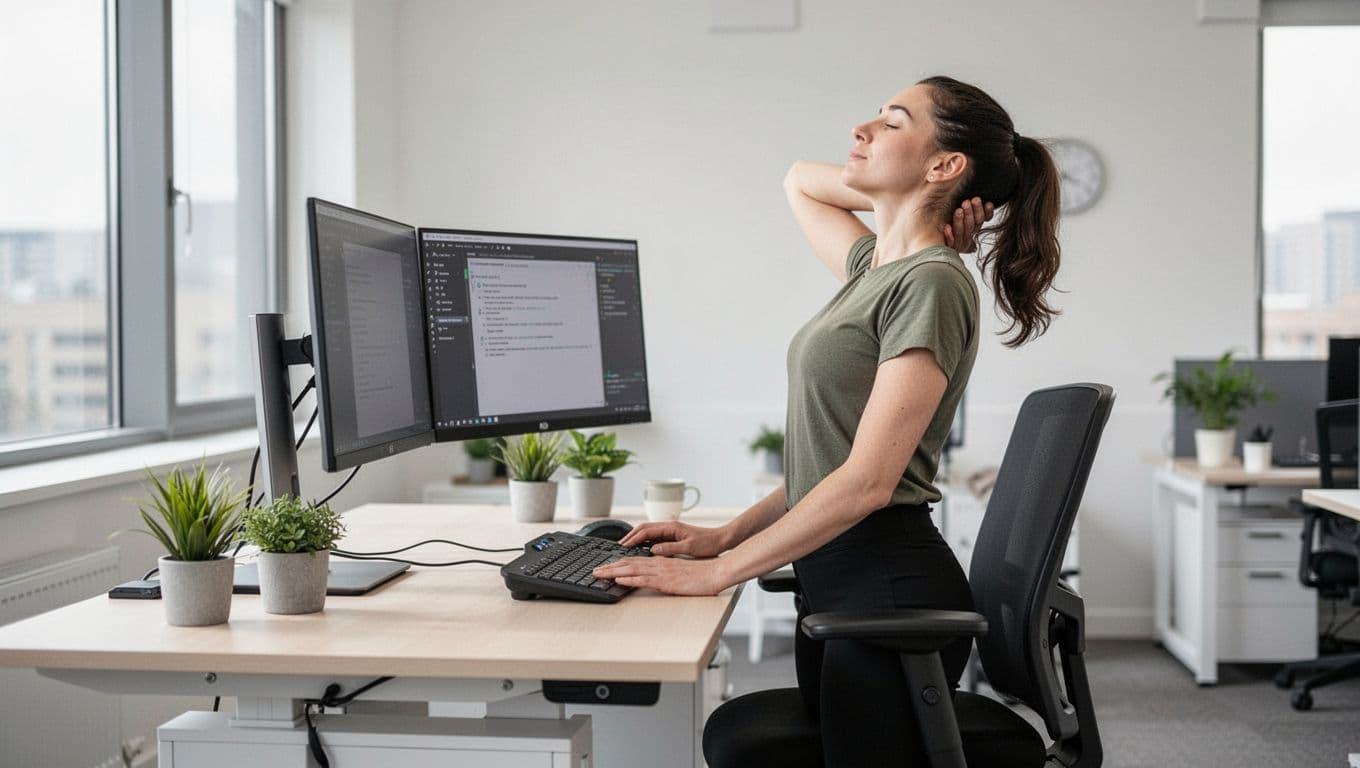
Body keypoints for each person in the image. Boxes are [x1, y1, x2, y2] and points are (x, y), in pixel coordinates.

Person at [592, 75, 1063, 766]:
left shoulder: (929, 281)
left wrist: (717, 575)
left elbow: (869, 482)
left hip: (887, 598)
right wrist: (719, 539)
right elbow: (798, 181)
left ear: (943, 163)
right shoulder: (877, 266)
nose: (862, 129)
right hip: (845, 586)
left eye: (892, 121)